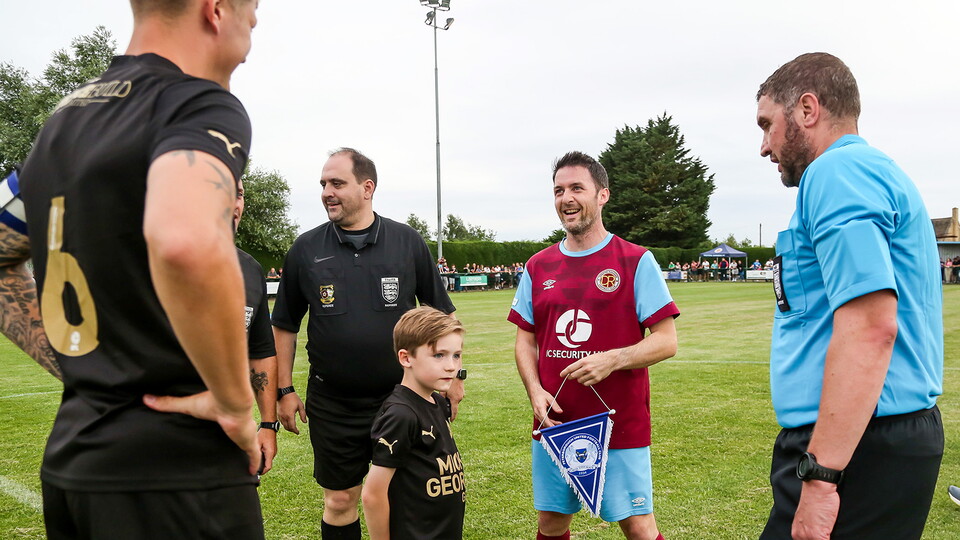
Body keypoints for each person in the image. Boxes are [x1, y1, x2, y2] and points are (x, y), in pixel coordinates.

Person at [7, 0, 265, 538]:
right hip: (175, 475)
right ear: (215, 10)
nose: (257, 21)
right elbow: (184, 240)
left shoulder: (64, 119)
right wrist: (236, 403)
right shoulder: (198, 104)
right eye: (254, 6)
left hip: (75, 462)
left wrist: (80, 361)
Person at [756, 52, 943, 540]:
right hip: (871, 439)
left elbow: (870, 328)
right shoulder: (874, 171)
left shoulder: (837, 172)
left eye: (767, 124)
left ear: (807, 109)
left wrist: (821, 478)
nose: (764, 145)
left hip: (859, 448)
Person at [271, 147, 458, 539]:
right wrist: (284, 388)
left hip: (403, 401)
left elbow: (443, 316)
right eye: (323, 184)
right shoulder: (305, 249)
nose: (327, 191)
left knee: (410, 495)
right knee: (340, 500)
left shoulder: (407, 242)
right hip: (333, 402)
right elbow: (284, 326)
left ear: (367, 187)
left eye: (337, 182)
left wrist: (454, 376)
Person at [508, 151, 678, 540]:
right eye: (558, 190)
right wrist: (534, 391)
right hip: (555, 423)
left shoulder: (636, 261)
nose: (566, 198)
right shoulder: (538, 265)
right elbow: (525, 340)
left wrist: (613, 360)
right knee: (551, 523)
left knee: (638, 526)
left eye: (576, 188)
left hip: (619, 423)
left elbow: (667, 342)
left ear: (602, 195)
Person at [362, 306, 466, 540]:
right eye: (439, 355)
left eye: (456, 355)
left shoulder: (436, 402)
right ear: (406, 358)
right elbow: (373, 493)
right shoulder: (401, 414)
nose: (451, 365)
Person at [234, 180, 280, 474]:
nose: (233, 203)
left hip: (231, 434)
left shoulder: (250, 270)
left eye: (238, 193)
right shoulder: (150, 260)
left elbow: (260, 352)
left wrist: (267, 423)